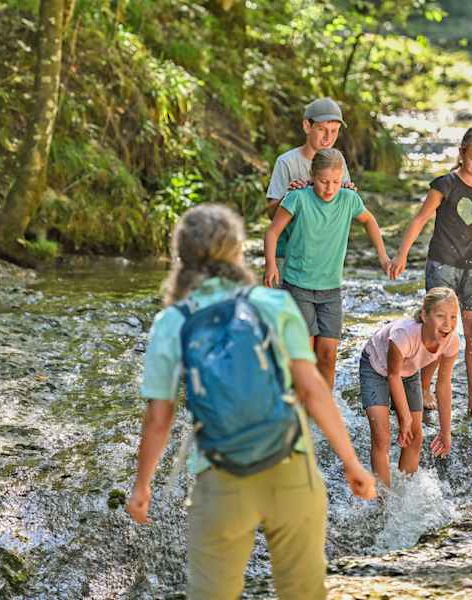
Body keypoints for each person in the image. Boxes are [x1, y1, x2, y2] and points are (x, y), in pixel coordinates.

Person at [126, 204, 377, 599]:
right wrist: (351, 463)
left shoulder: (172, 323)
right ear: (237, 252)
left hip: (220, 479)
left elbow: (159, 417)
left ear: (182, 258)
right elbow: (312, 389)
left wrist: (142, 487)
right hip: (291, 468)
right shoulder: (271, 305)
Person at [389, 127, 472, 421]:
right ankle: (424, 386)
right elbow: (420, 219)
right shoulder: (445, 185)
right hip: (441, 265)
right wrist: (402, 254)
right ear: (461, 153)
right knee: (439, 330)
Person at [264, 148, 391, 391]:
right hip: (297, 284)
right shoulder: (297, 198)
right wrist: (271, 264)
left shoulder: (349, 199)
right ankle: (299, 405)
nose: (330, 188)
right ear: (312, 176)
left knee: (328, 354)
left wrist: (383, 257)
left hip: (331, 289)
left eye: (335, 182)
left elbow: (370, 221)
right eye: (323, 182)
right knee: (305, 352)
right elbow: (272, 232)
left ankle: (325, 408)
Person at [359, 287, 460, 489]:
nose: (448, 324)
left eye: (453, 317)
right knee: (382, 437)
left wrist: (445, 432)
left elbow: (443, 386)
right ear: (424, 315)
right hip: (376, 367)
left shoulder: (452, 341)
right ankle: (383, 499)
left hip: (408, 371)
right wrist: (404, 418)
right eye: (440, 316)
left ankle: (405, 495)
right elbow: (392, 375)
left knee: (415, 437)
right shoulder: (404, 335)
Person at [266, 97, 354, 285]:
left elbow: (343, 212)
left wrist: (347, 194)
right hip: (288, 255)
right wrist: (287, 196)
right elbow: (270, 213)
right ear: (307, 126)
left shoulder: (338, 162)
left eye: (334, 132)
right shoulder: (286, 162)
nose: (327, 137)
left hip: (324, 260)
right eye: (321, 129)